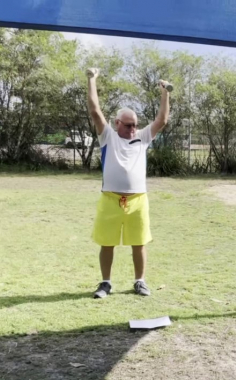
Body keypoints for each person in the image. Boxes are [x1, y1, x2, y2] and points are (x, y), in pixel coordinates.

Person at [86, 68, 170, 299]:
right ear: (117, 123)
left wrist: (165, 92)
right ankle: (105, 283)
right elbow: (94, 110)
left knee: (139, 243)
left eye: (134, 125)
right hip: (110, 200)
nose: (132, 129)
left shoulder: (142, 137)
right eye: (128, 125)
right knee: (106, 243)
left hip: (137, 200)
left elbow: (162, 120)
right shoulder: (108, 136)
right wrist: (92, 79)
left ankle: (140, 281)